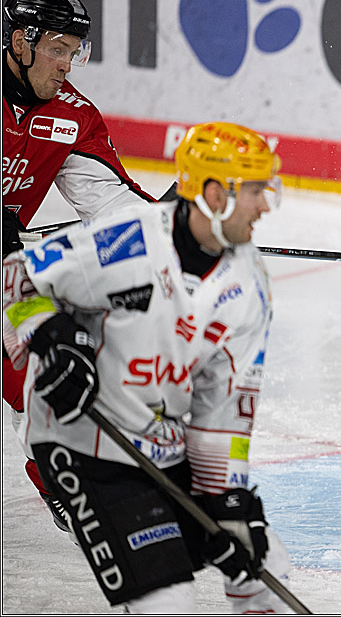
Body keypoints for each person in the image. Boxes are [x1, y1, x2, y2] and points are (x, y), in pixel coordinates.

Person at [2, 121, 292, 612]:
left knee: (263, 564)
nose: (266, 205)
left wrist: (226, 503)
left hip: (161, 442)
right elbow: (16, 279)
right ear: (215, 196)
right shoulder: (127, 240)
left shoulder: (249, 283)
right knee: (168, 602)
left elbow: (223, 413)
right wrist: (50, 334)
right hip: (83, 442)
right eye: (255, 191)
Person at [2, 0, 158, 530]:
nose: (68, 64)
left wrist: (172, 229)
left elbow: (108, 200)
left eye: (75, 51)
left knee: (43, 360)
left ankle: (62, 481)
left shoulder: (71, 116)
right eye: (58, 49)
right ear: (20, 42)